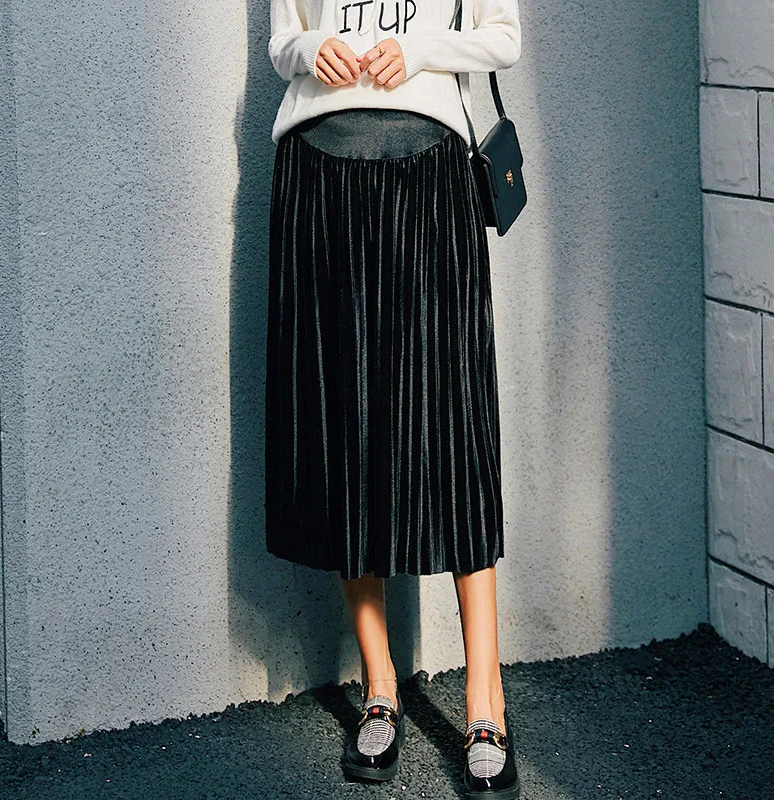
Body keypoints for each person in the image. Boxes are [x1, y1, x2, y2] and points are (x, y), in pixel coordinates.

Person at [264, 0, 522, 796]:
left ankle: (486, 702)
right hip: (317, 174)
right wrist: (313, 47)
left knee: (454, 425)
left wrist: (416, 51)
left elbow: (504, 40)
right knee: (347, 423)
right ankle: (380, 686)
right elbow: (281, 43)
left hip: (430, 172)